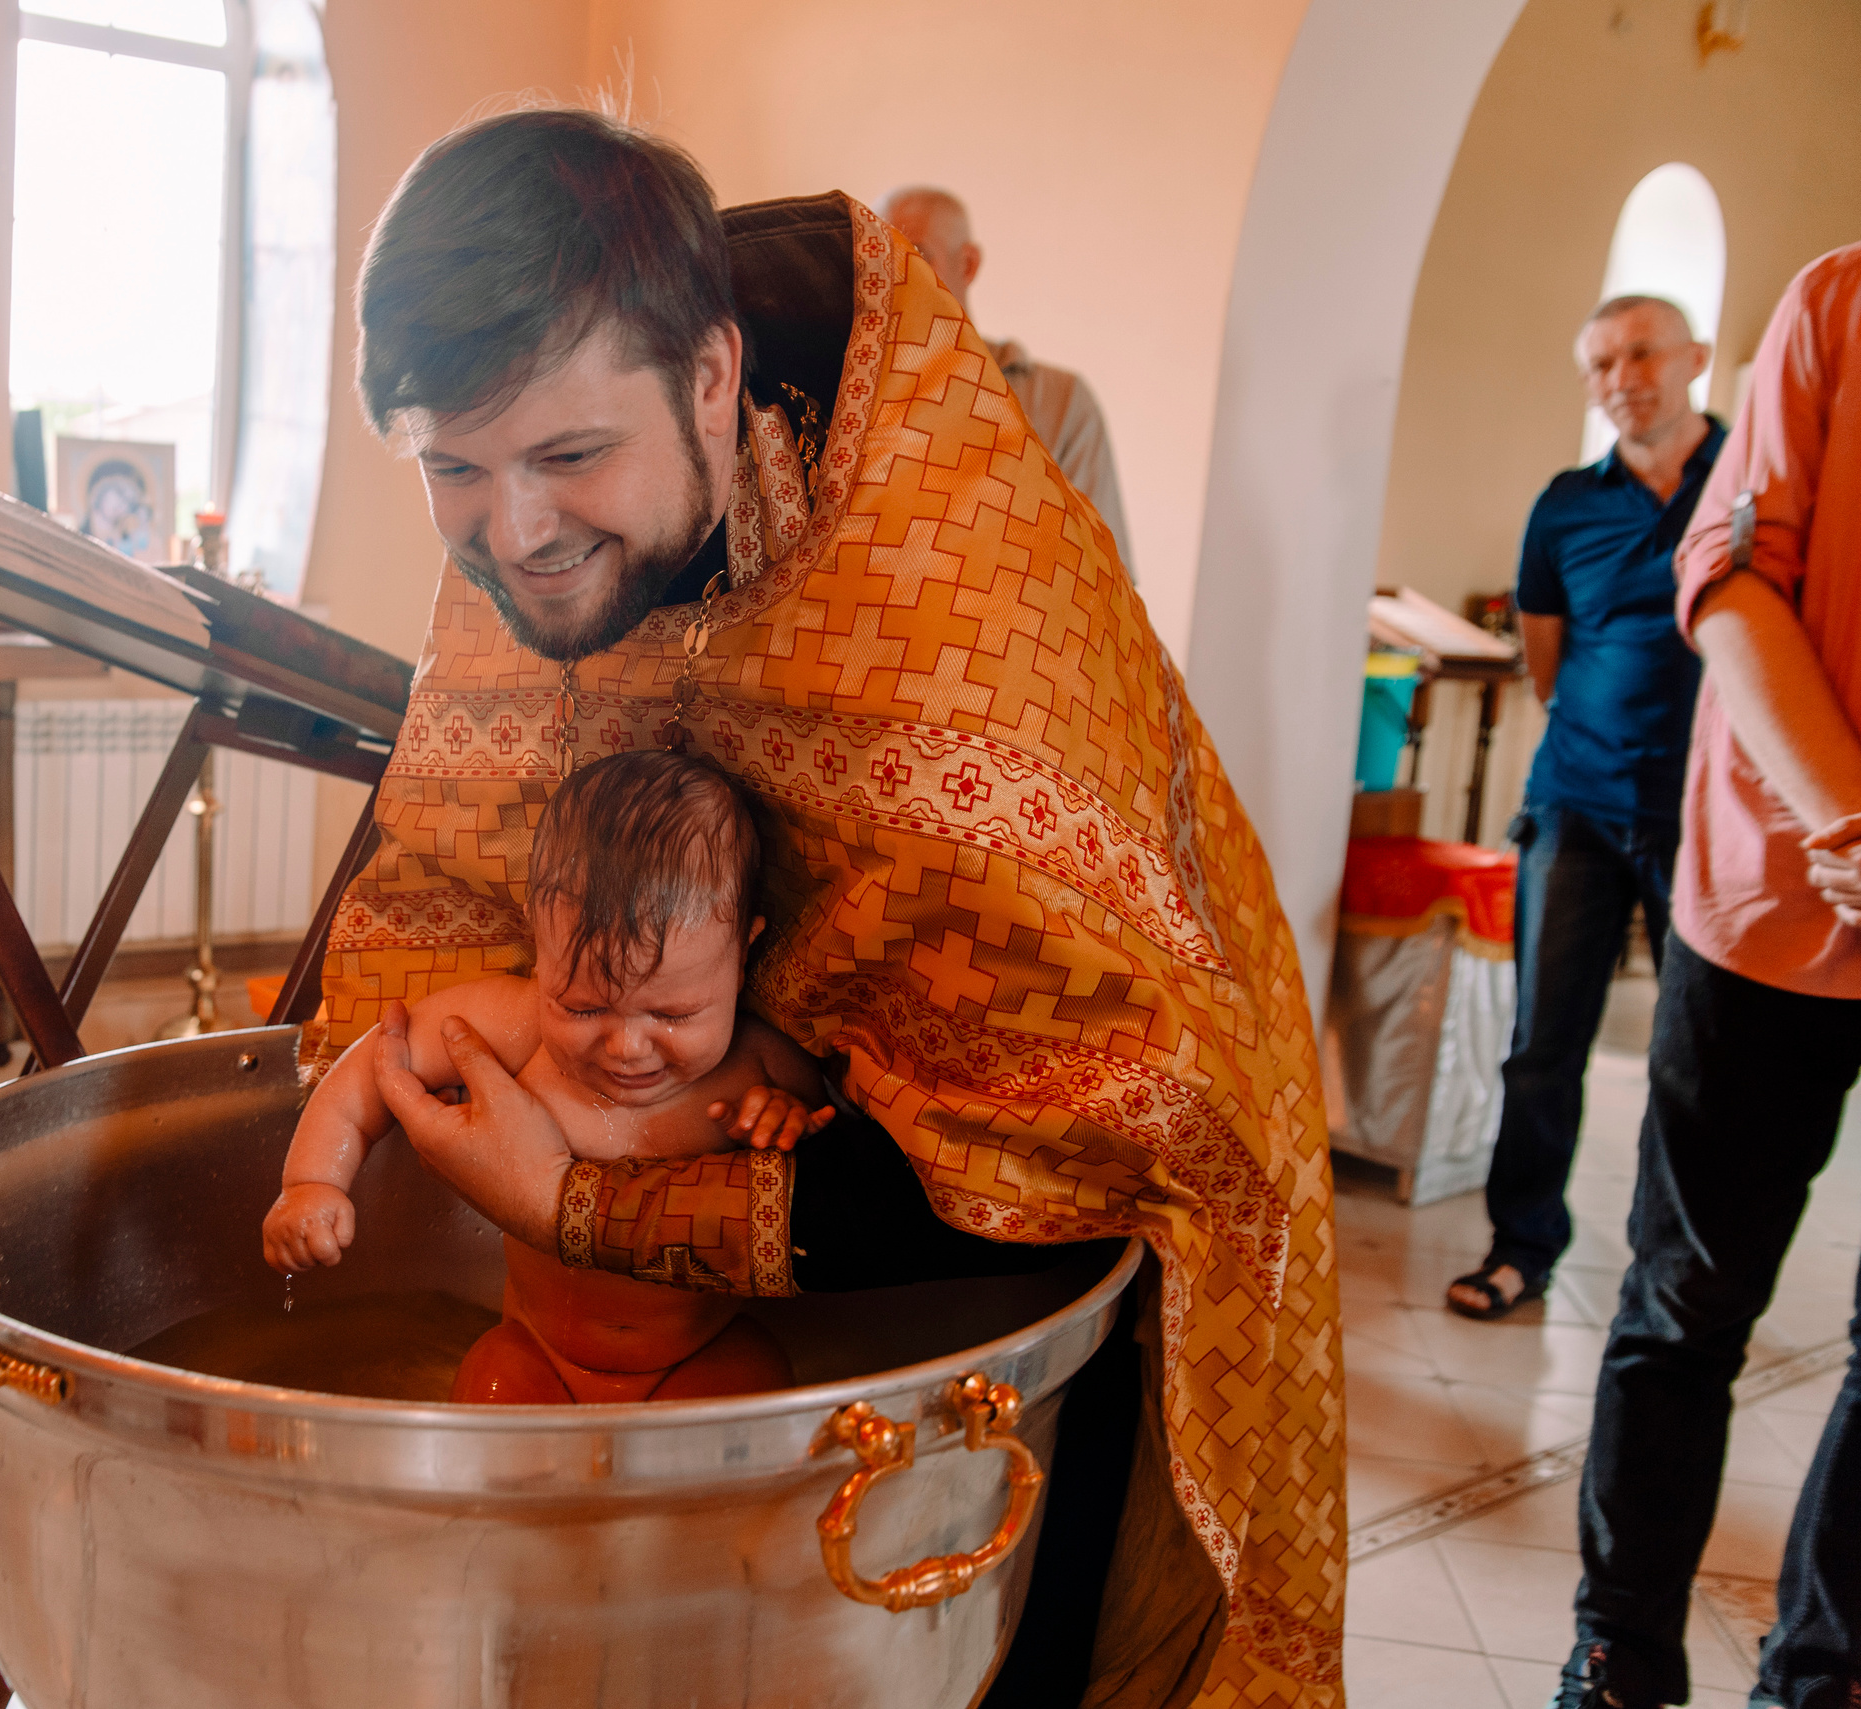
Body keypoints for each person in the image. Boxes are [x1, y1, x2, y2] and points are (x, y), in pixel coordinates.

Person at [308, 108, 1344, 1709]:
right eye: (452, 468)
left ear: (712, 381)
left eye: (569, 459)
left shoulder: (951, 613)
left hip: (1027, 1293)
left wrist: (585, 1207)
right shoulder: (544, 471)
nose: (511, 534)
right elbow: (452, 884)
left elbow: (1096, 1136)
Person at [1554, 245, 1861, 1709]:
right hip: (1779, 894)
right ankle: (1620, 1652)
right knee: (1686, 1302)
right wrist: (1848, 823)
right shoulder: (1840, 302)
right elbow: (1735, 583)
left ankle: (1825, 1674)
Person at [263, 749, 832, 1402]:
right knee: (491, 1390)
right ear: (540, 942)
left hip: (699, 1358)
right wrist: (312, 1181)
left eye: (675, 1014)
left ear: (742, 955)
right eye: (584, 1006)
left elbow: (829, 1141)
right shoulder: (513, 1024)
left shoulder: (757, 1066)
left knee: (751, 1393)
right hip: (538, 1351)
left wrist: (783, 1120)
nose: (627, 1046)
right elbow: (375, 1062)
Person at [1446, 296, 1723, 1322]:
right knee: (1542, 1042)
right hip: (1577, 805)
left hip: (1706, 818)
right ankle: (1521, 1246)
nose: (1620, 378)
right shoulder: (1566, 502)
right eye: (1599, 363)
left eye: (1640, 353)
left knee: (1690, 1056)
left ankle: (1668, 1267)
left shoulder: (1749, 482)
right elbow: (1548, 661)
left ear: (1692, 358)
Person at [880, 185, 1135, 570]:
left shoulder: (1059, 402)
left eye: (917, 254)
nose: (892, 274)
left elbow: (1103, 581)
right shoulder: (849, 399)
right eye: (877, 255)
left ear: (967, 264)